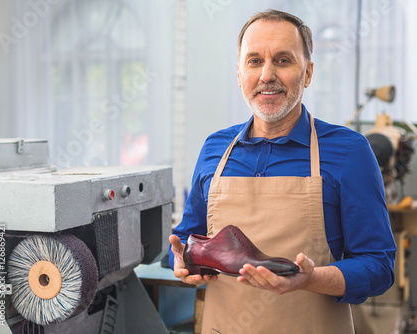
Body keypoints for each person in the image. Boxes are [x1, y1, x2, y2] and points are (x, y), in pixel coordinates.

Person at [169, 9, 396, 333]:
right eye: (254, 61)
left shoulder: (349, 151)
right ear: (239, 73)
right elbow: (189, 236)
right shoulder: (214, 149)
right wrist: (180, 259)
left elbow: (379, 265)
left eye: (283, 60)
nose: (267, 75)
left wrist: (313, 278)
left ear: (308, 73)